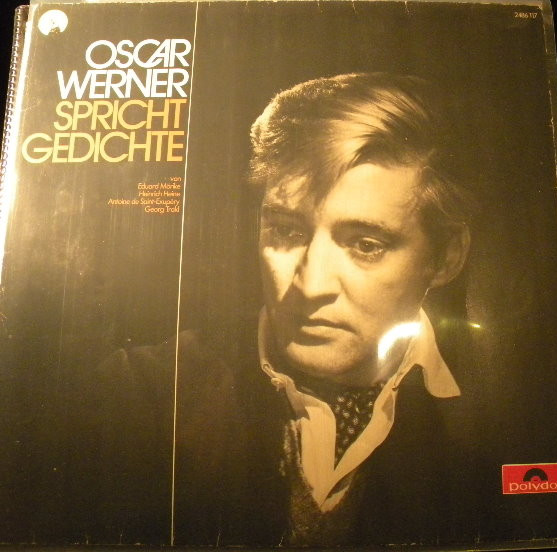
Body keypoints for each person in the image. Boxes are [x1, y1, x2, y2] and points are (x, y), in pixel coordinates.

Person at [75, 72, 478, 546]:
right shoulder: (142, 393)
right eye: (286, 231)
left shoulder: (509, 417)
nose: (310, 285)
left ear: (446, 257)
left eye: (366, 244)